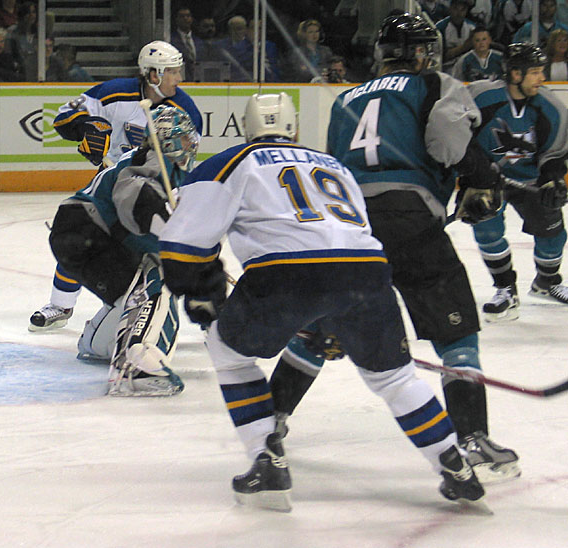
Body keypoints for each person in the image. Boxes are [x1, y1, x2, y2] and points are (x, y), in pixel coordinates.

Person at [157, 92, 487, 511]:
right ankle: (454, 466)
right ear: (293, 129)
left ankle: (267, 458)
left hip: (286, 274)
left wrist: (201, 290)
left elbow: (185, 244)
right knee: (395, 378)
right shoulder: (335, 165)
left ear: (246, 129)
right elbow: (345, 238)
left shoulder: (229, 162)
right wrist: (333, 318)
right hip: (367, 272)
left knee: (229, 352)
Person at [268, 13, 521, 485]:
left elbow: (337, 170)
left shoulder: (344, 99)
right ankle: (471, 437)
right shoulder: (433, 84)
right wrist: (482, 177)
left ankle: (269, 421)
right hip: (410, 222)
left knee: (320, 329)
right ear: (424, 51)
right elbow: (448, 139)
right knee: (456, 334)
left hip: (347, 229)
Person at [28, 40, 203, 333]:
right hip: (112, 185)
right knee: (86, 235)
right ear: (154, 75)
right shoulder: (114, 93)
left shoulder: (185, 109)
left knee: (148, 254)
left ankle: (168, 312)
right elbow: (64, 117)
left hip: (155, 190)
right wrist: (86, 128)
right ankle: (60, 305)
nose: (179, 78)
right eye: (172, 71)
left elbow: (186, 160)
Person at [48, 105, 199, 396]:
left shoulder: (151, 163)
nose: (190, 144)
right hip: (88, 230)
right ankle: (135, 366)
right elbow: (134, 200)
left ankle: (98, 343)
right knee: (158, 277)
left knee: (133, 293)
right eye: (183, 139)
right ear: (167, 141)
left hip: (77, 230)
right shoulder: (156, 160)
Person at [466, 42, 568, 320]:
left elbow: (554, 152)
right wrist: (475, 173)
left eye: (541, 71)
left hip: (530, 179)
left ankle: (546, 283)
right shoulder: (480, 97)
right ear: (514, 74)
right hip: (486, 179)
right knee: (486, 228)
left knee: (553, 234)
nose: (542, 78)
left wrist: (552, 179)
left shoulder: (551, 107)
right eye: (534, 72)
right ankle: (505, 289)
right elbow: (459, 134)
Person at [282, 18, 333, 83]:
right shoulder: (298, 52)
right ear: (304, 34)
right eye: (310, 32)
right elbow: (299, 72)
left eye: (316, 31)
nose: (314, 35)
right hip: (303, 85)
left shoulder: (326, 51)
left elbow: (329, 68)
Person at [437, 0, 477, 73]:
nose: (459, 14)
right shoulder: (440, 28)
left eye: (463, 10)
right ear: (450, 8)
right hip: (446, 69)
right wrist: (464, 47)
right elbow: (440, 57)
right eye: (455, 9)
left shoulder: (472, 27)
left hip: (467, 67)